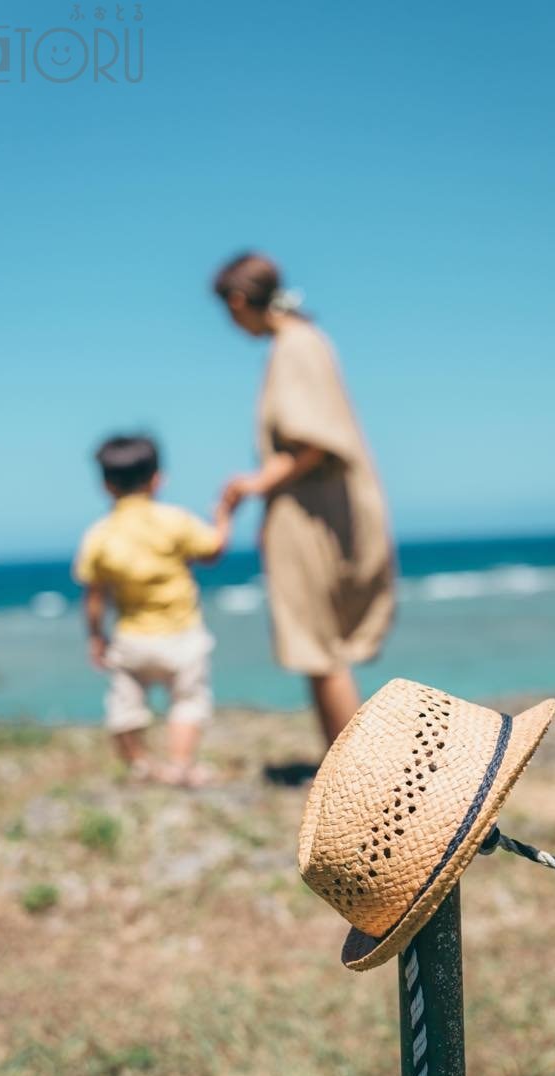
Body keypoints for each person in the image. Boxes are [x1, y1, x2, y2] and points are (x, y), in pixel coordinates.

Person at [213, 252, 395, 746]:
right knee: (319, 648)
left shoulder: (295, 345)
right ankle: (341, 769)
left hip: (311, 509)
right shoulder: (301, 341)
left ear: (237, 301)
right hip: (318, 503)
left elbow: (313, 441)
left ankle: (354, 775)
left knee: (319, 649)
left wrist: (256, 483)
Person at [74, 434, 230, 786]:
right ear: (158, 478)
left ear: (106, 486)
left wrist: (96, 637)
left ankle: (140, 763)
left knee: (125, 705)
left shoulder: (99, 535)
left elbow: (94, 596)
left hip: (132, 638)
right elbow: (213, 551)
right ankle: (179, 765)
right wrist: (223, 515)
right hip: (182, 633)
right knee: (188, 701)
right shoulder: (174, 520)